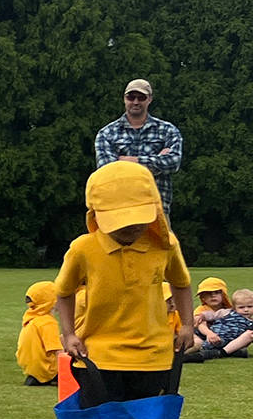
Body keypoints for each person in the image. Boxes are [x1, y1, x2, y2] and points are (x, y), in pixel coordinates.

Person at [53, 161, 193, 406]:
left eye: (138, 217)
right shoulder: (83, 249)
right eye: (120, 221)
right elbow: (64, 292)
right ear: (95, 214)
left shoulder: (165, 245)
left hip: (154, 357)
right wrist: (68, 334)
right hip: (98, 357)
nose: (132, 226)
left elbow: (181, 283)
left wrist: (188, 325)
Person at [94, 78, 183, 215]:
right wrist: (156, 161)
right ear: (124, 98)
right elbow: (108, 171)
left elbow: (173, 163)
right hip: (118, 212)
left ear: (150, 99)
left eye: (141, 97)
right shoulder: (107, 133)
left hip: (156, 212)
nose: (135, 102)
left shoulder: (167, 130)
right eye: (131, 97)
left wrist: (127, 161)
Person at [16, 281, 61, 385]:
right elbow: (57, 350)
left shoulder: (31, 319)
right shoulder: (47, 323)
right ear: (51, 301)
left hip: (31, 370)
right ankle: (51, 376)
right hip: (46, 370)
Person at [194, 289, 253, 359]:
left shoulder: (251, 323)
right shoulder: (227, 312)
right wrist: (202, 315)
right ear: (234, 307)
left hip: (228, 342)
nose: (246, 310)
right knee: (197, 335)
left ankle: (226, 352)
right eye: (241, 307)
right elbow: (212, 315)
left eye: (250, 307)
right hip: (214, 336)